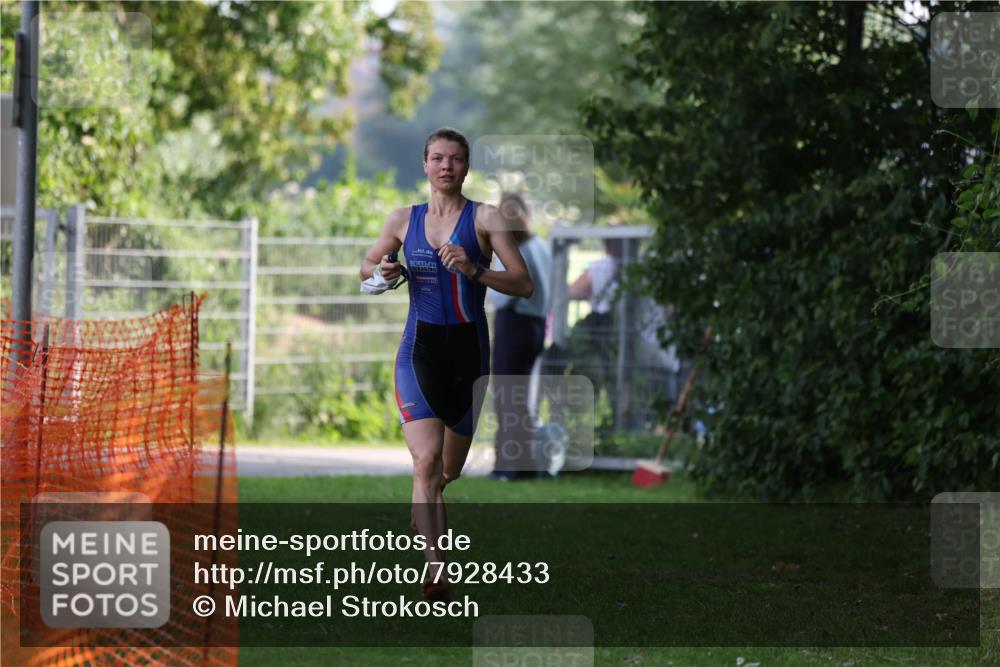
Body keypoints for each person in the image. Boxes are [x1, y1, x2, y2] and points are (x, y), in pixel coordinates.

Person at [359, 128, 533, 600]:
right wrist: (384, 271)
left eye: (455, 159)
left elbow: (523, 283)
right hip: (418, 351)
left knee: (445, 472)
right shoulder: (402, 219)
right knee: (425, 460)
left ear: (466, 166)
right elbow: (367, 266)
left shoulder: (486, 218)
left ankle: (429, 503)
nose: (446, 167)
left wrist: (475, 270)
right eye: (437, 158)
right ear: (425, 165)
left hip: (469, 353)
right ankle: (436, 570)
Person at [485, 193, 553, 480]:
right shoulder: (541, 246)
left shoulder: (514, 249)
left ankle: (509, 465)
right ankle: (522, 465)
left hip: (514, 325)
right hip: (536, 325)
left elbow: (504, 295)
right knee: (520, 397)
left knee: (506, 397)